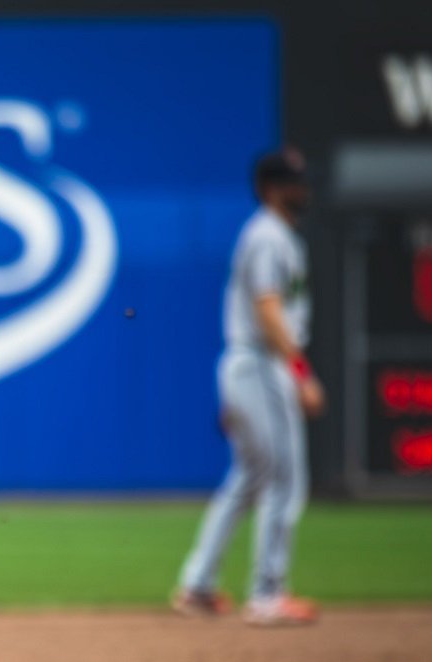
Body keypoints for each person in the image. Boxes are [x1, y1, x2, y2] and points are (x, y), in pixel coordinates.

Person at [172, 147, 324, 626]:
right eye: (290, 182)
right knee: (284, 478)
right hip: (261, 363)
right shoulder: (267, 235)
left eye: (299, 181)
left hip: (249, 366)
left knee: (248, 478)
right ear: (269, 188)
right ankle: (268, 593)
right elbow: (267, 307)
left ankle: (198, 583)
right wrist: (300, 372)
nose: (299, 189)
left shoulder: (276, 235)